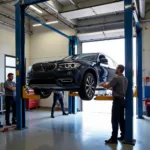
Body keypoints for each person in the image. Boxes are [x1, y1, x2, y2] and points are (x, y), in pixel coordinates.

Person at [101, 65, 128, 144]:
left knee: (114, 120)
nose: (115, 70)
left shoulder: (116, 78)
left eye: (116, 68)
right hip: (123, 101)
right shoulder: (126, 79)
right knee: (121, 119)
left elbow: (108, 86)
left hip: (117, 101)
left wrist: (103, 84)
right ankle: (123, 135)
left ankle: (114, 139)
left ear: (119, 70)